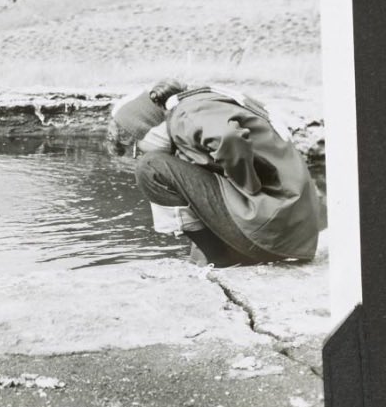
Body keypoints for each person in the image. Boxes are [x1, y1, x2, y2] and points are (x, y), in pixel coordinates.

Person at [107, 79, 321, 267]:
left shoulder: (184, 116)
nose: (138, 155)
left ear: (147, 128)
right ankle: (219, 254)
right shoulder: (201, 103)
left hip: (271, 227)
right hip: (289, 230)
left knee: (150, 168)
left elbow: (229, 138)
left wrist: (247, 185)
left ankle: (221, 259)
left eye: (136, 149)